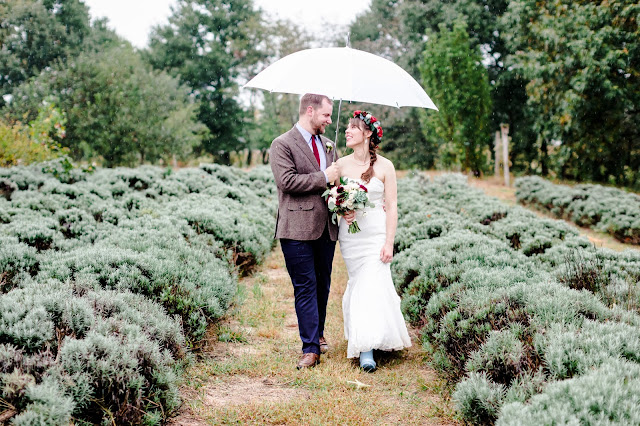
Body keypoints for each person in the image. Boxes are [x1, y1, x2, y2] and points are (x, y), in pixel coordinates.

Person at [269, 93, 344, 369]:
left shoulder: (328, 145)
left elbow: (336, 185)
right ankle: (310, 348)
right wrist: (324, 176)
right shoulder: (282, 144)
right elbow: (287, 181)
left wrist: (344, 196)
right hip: (296, 229)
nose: (329, 120)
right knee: (305, 287)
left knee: (323, 284)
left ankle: (318, 333)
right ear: (309, 111)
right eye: (326, 115)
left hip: (326, 227)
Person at [336, 110, 412, 372]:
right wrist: (342, 207)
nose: (348, 131)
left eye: (353, 127)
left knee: (372, 283)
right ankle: (369, 336)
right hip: (352, 236)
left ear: (367, 133)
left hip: (377, 234)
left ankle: (367, 348)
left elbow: (391, 206)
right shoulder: (341, 165)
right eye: (346, 127)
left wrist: (389, 242)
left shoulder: (385, 166)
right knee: (361, 283)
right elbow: (332, 197)